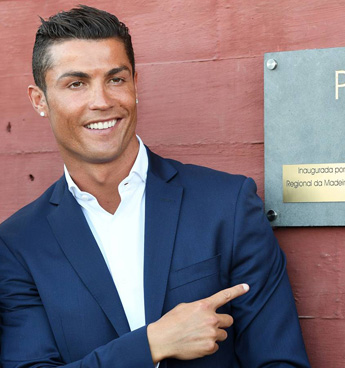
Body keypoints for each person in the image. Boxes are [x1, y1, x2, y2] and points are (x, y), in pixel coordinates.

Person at [0, 5, 310, 368]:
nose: (101, 101)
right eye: (76, 84)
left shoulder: (227, 205)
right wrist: (151, 344)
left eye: (116, 79)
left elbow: (280, 361)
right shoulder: (20, 243)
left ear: (135, 86)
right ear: (40, 101)